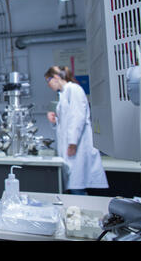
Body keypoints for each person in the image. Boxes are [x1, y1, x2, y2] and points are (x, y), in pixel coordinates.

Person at [45, 66, 108, 195]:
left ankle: (80, 212)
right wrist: (55, 119)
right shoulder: (63, 94)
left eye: (48, 80)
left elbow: (78, 118)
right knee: (74, 185)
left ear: (56, 77)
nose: (48, 85)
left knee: (77, 186)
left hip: (78, 147)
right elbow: (66, 121)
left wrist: (73, 143)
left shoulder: (74, 89)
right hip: (71, 148)